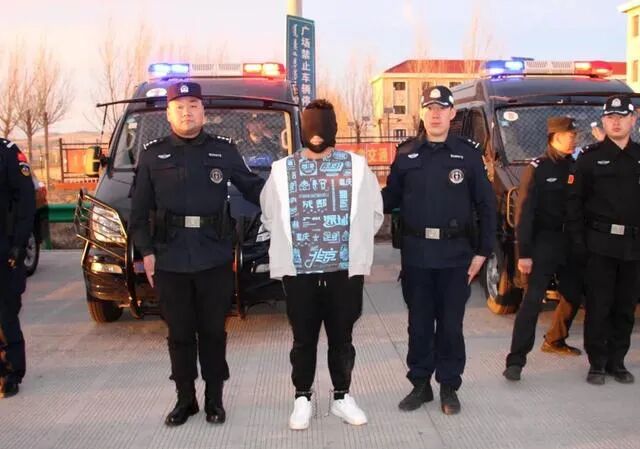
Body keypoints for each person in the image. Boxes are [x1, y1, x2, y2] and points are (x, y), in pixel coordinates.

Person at [129, 81, 265, 425]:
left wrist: (292, 191)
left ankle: (214, 400)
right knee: (179, 333)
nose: (186, 113)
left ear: (203, 111)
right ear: (168, 113)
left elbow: (255, 189)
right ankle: (185, 400)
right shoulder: (153, 154)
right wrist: (146, 251)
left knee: (213, 332)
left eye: (193, 106)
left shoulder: (224, 150)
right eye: (179, 107)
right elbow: (139, 211)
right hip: (169, 257)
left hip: (213, 256)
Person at [260, 99, 383, 430]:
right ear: (302, 128)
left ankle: (342, 396)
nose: (316, 134)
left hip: (343, 272)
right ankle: (302, 397)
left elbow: (374, 213)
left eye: (322, 125)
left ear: (334, 128)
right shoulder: (282, 170)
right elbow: (269, 214)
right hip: (299, 273)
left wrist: (352, 245)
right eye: (311, 126)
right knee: (303, 339)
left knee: (342, 338)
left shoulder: (356, 167)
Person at [382, 86, 496, 415]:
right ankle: (420, 384)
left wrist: (483, 251)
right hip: (417, 255)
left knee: (450, 326)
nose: (435, 114)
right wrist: (353, 191)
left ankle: (449, 386)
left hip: (455, 256)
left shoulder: (467, 155)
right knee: (418, 326)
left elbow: (486, 205)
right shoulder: (406, 154)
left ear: (451, 114)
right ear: (422, 113)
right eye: (429, 108)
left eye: (441, 108)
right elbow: (388, 199)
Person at [503, 117, 584, 382]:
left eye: (575, 135)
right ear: (555, 137)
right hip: (543, 243)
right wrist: (524, 253)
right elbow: (524, 212)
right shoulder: (538, 168)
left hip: (571, 242)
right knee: (532, 301)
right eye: (569, 135)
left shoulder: (576, 165)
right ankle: (516, 361)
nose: (574, 139)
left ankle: (555, 339)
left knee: (573, 294)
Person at [566, 95, 640, 385]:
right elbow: (574, 204)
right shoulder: (590, 158)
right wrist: (578, 244)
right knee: (599, 306)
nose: (616, 122)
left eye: (622, 117)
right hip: (599, 244)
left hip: (633, 246)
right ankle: (597, 363)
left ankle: (617, 362)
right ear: (604, 121)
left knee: (625, 307)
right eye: (611, 117)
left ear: (633, 119)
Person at [0, 138, 35, 398]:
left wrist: (19, 244)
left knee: (5, 313)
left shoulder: (7, 154)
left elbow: (25, 200)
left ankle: (9, 373)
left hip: (4, 249)